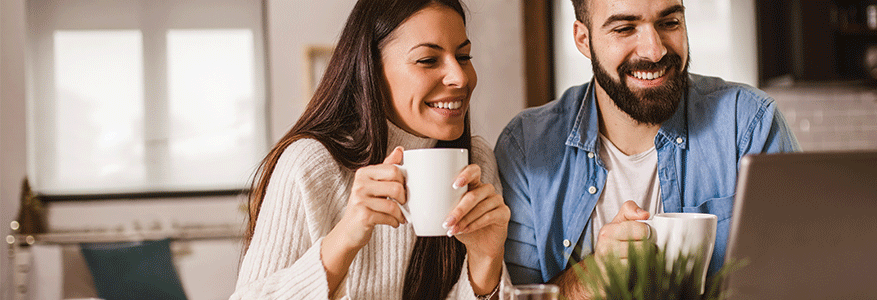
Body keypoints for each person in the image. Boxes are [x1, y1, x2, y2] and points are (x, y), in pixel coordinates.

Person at [495, 0, 800, 297]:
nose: (654, 50)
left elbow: (801, 274)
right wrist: (592, 277)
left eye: (669, 23)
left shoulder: (750, 124)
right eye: (625, 28)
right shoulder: (526, 146)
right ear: (583, 39)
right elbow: (516, 294)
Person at [231, 0, 509, 299]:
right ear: (371, 69)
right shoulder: (310, 164)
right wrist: (345, 238)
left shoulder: (476, 162)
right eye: (428, 60)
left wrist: (486, 262)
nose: (461, 77)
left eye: (464, 56)